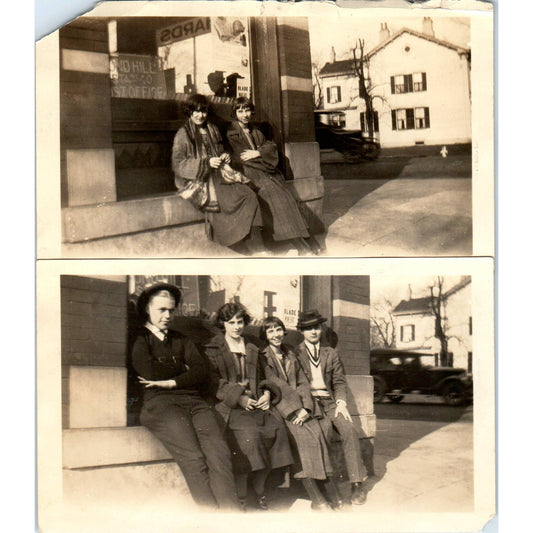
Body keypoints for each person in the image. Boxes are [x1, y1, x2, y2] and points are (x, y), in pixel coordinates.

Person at [131, 282, 240, 511]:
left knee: (219, 454)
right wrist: (181, 367)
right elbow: (148, 372)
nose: (168, 315)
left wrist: (172, 380)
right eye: (161, 310)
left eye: (171, 310)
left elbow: (201, 372)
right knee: (194, 459)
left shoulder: (181, 338)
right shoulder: (139, 338)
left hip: (194, 402)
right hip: (160, 405)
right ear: (147, 310)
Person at [205, 303, 293, 511]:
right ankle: (242, 495)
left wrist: (266, 393)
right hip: (231, 408)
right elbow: (212, 381)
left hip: (256, 405)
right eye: (231, 322)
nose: (236, 326)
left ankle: (260, 489)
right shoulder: (213, 348)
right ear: (223, 324)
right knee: (250, 438)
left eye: (240, 322)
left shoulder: (252, 348)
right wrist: (239, 398)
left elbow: (266, 377)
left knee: (277, 430)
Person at [260, 316, 344, 511]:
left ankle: (331, 492)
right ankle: (318, 498)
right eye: (270, 331)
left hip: (300, 408)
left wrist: (306, 409)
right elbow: (276, 386)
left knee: (319, 432)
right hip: (281, 409)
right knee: (301, 439)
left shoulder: (290, 354)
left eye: (278, 329)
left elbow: (302, 383)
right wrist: (296, 410)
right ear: (264, 335)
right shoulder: (262, 357)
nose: (276, 334)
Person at [226, 97, 324, 255]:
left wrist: (257, 152)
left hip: (264, 172)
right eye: (240, 111)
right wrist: (260, 158)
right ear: (235, 113)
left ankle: (307, 242)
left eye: (247, 110)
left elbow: (270, 146)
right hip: (249, 174)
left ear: (252, 111)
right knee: (277, 198)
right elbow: (241, 157)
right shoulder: (232, 133)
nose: (244, 114)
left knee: (288, 199)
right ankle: (303, 246)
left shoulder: (255, 130)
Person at [172, 94, 266, 255]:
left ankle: (258, 247)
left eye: (203, 111)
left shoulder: (212, 128)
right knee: (231, 200)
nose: (200, 115)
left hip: (221, 173)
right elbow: (178, 164)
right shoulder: (183, 134)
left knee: (249, 195)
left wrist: (225, 156)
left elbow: (221, 149)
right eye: (196, 111)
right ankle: (247, 247)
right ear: (189, 112)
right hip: (200, 178)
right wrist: (205, 163)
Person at [294, 309, 368, 506]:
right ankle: (328, 488)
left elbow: (339, 382)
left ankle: (357, 484)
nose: (313, 332)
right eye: (308, 328)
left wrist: (341, 402)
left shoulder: (331, 353)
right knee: (324, 432)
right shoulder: (296, 354)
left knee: (349, 430)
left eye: (316, 327)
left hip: (330, 402)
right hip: (310, 403)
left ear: (321, 329)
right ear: (302, 331)